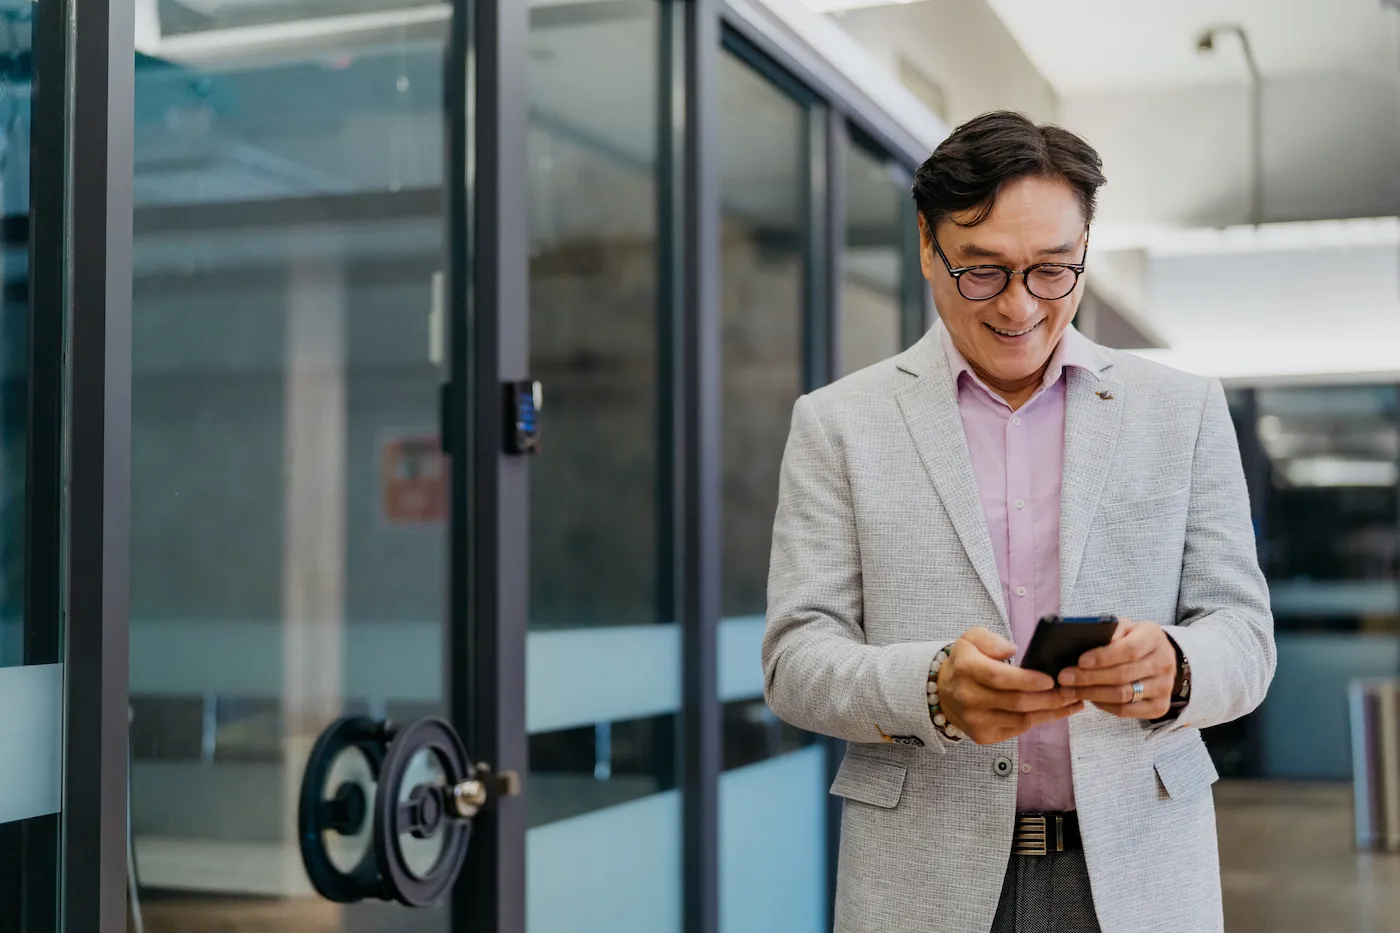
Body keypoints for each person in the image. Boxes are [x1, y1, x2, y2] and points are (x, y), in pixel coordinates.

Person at [762, 111, 1275, 933]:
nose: (1019, 306)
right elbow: (795, 660)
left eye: (1051, 272)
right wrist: (931, 687)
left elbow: (1245, 637)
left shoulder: (1180, 411)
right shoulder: (839, 423)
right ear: (929, 247)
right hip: (924, 879)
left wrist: (1174, 665)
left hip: (1141, 878)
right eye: (983, 271)